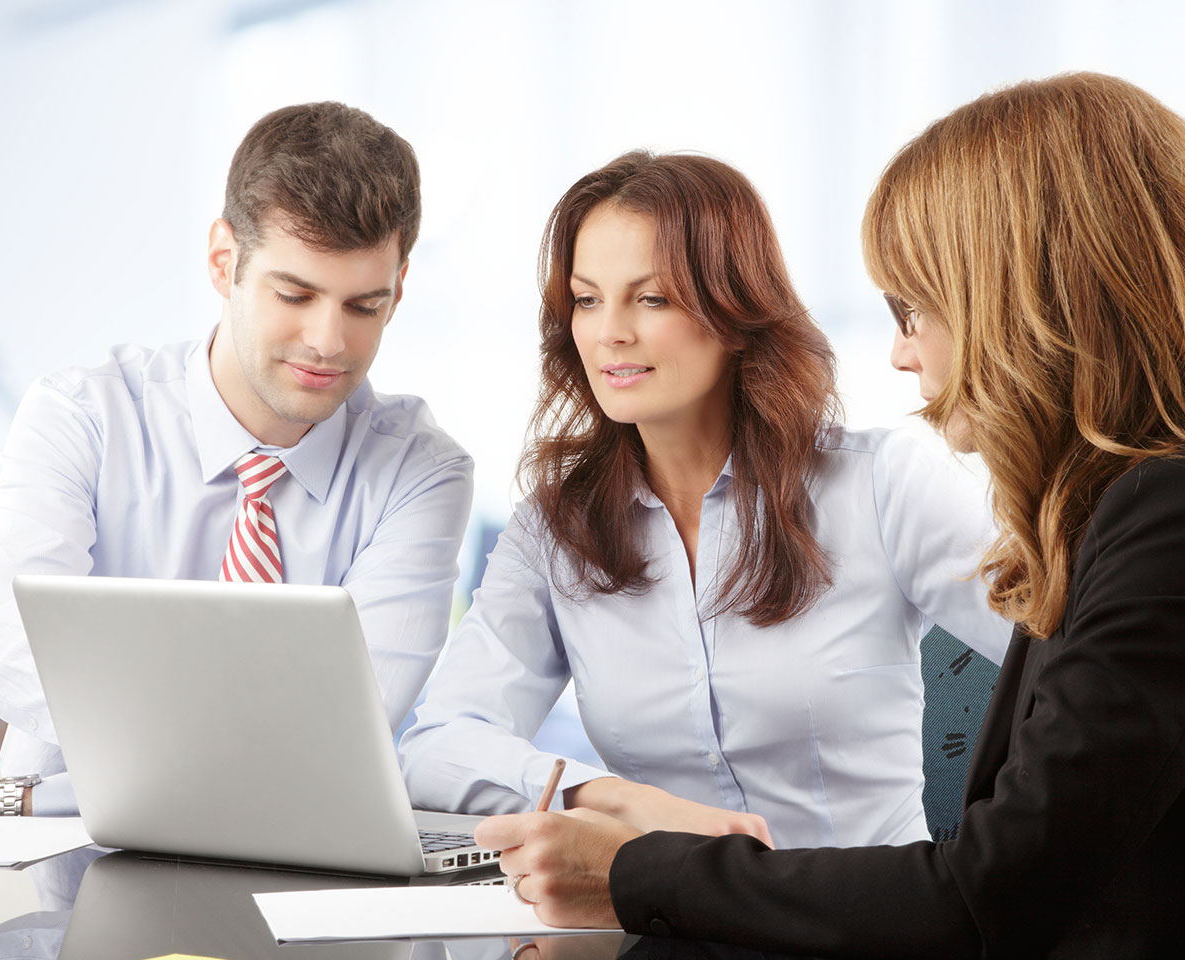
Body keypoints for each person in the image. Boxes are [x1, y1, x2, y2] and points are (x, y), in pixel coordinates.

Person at [473, 73, 1185, 956]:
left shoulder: (1177, 517)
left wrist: (633, 872)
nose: (902, 351)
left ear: (1033, 302)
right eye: (585, 298)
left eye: (915, 309)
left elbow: (987, 895)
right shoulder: (1123, 512)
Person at [398, 151, 1012, 852]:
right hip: (668, 926)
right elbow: (438, 742)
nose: (609, 333)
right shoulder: (556, 528)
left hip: (866, 924)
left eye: (651, 299)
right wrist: (609, 796)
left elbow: (1068, 666)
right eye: (588, 299)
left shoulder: (881, 483)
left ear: (733, 311)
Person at [0, 102, 472, 817]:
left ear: (398, 290)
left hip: (293, 868)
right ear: (224, 261)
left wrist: (91, 752)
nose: (328, 341)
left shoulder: (422, 472)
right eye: (294, 294)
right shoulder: (79, 418)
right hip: (66, 854)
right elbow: (19, 649)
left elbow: (349, 726)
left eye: (364, 306)